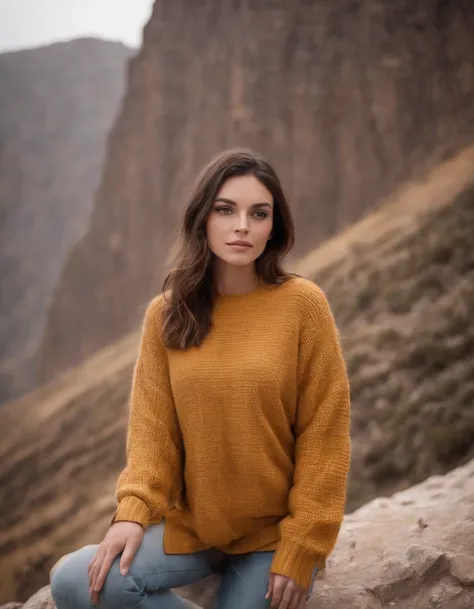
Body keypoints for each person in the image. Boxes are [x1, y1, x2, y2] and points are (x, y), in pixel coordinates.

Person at [50, 148, 351, 609]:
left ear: (275, 227)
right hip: (194, 528)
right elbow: (154, 434)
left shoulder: (302, 306)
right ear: (202, 218)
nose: (242, 226)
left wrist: (304, 543)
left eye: (259, 213)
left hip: (273, 535)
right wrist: (132, 512)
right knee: (75, 580)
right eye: (226, 209)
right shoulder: (167, 315)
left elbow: (324, 435)